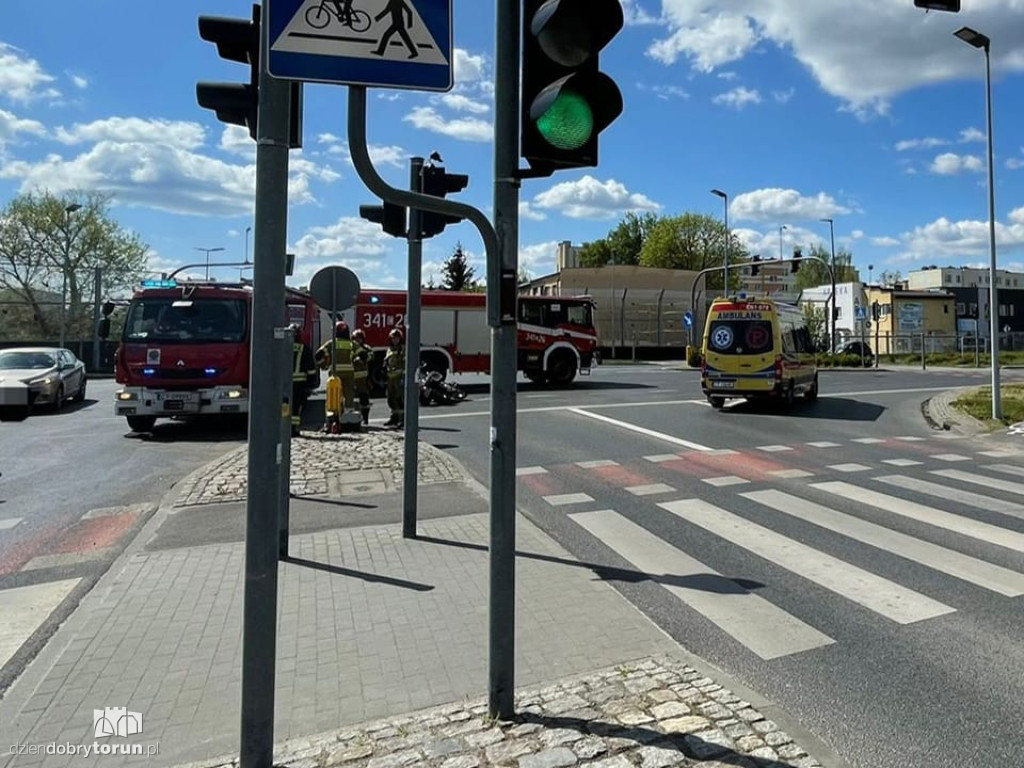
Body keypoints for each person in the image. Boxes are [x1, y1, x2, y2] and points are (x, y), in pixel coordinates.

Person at [290, 325, 317, 437]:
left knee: (285, 406)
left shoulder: (282, 347)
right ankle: (293, 429)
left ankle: (284, 428)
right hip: (300, 384)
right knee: (296, 408)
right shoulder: (304, 349)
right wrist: (311, 384)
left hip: (284, 384)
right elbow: (310, 369)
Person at [384, 327, 405, 427]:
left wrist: (403, 377)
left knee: (399, 398)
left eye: (397, 338)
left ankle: (402, 419)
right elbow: (387, 361)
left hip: (399, 377)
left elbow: (405, 363)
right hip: (390, 378)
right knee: (390, 398)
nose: (395, 340)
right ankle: (394, 417)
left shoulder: (403, 349)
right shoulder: (389, 349)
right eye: (393, 338)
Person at [351, 328, 372, 425]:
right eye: (356, 338)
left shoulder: (366, 348)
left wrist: (362, 358)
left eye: (359, 338)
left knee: (364, 399)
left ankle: (365, 418)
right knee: (350, 399)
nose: (357, 340)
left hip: (363, 379)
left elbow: (371, 356)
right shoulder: (351, 348)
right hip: (351, 378)